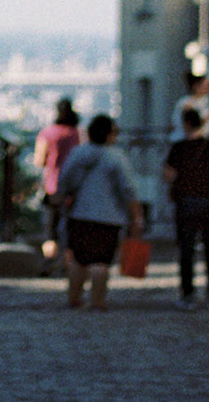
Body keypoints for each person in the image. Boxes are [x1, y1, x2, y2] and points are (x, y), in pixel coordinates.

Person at [56, 113, 143, 311]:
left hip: (79, 214)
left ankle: (74, 298)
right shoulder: (116, 157)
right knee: (101, 262)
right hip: (108, 217)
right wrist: (136, 218)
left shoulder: (77, 154)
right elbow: (128, 190)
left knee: (79, 258)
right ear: (110, 134)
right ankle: (97, 301)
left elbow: (64, 181)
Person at [164, 106, 209, 308]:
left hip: (187, 200)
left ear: (186, 124)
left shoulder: (178, 147)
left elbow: (169, 174)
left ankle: (188, 294)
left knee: (187, 250)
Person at [33, 98, 82, 273]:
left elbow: (39, 160)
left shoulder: (47, 133)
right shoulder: (77, 133)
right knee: (71, 228)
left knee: (50, 229)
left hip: (52, 186)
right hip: (74, 189)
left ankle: (49, 262)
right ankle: (68, 264)